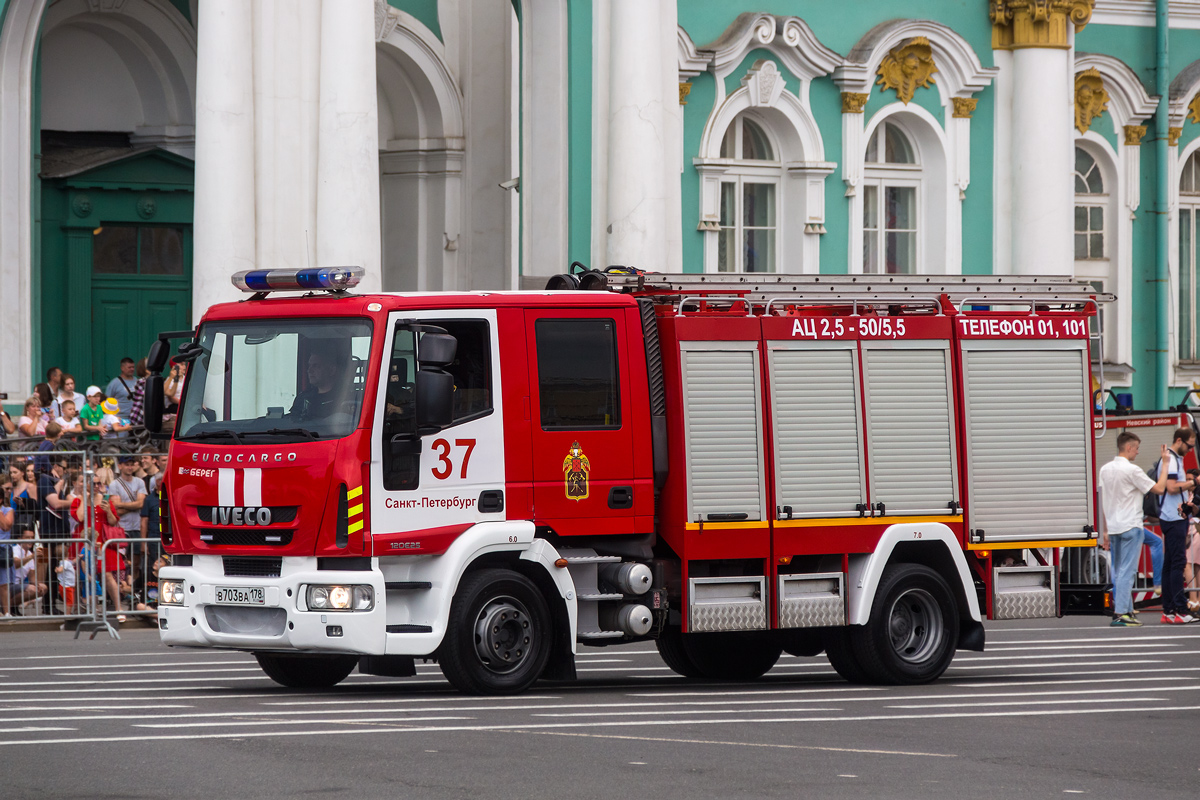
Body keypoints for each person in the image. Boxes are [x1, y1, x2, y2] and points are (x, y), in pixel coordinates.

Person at [1099, 432, 1171, 626]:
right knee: (1127, 571)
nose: (1138, 452)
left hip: (1114, 527)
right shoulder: (1133, 471)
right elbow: (1159, 488)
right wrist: (1165, 464)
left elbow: (1103, 500)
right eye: (1137, 448)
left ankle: (1127, 610)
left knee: (1119, 570)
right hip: (1131, 524)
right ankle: (1121, 613)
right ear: (1128, 447)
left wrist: (1104, 531)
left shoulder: (1105, 469)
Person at [1155, 427, 1199, 624]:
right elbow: (1171, 488)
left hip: (1172, 515)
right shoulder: (1171, 459)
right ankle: (1180, 609)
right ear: (1180, 440)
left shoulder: (1173, 459)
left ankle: (1169, 610)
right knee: (1177, 564)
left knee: (1169, 564)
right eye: (1189, 446)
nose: (1190, 450)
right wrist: (1194, 482)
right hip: (1174, 517)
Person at [289, 345, 348, 420]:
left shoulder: (345, 397)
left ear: (331, 370)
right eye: (309, 366)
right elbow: (292, 423)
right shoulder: (303, 399)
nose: (309, 370)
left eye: (316, 366)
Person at [128, 358, 149, 426]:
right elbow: (148, 396)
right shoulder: (141, 382)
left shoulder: (151, 381)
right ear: (146, 370)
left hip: (147, 417)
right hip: (139, 416)